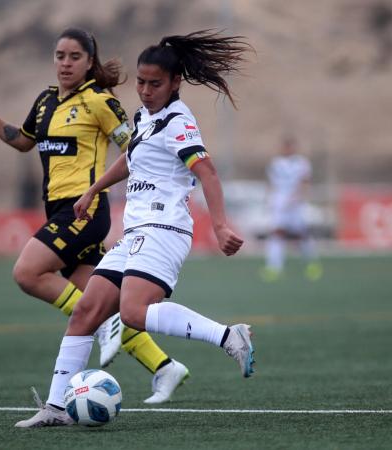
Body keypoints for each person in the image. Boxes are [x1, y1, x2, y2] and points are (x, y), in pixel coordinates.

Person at [15, 29, 255, 428]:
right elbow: (130, 160)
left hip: (164, 229)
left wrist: (219, 225)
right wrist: (93, 189)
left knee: (134, 313)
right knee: (86, 313)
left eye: (154, 83)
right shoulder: (146, 118)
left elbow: (207, 172)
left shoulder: (178, 122)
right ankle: (56, 407)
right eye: (141, 82)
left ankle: (230, 336)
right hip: (135, 233)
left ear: (175, 83)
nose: (144, 90)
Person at [0, 28, 188, 404]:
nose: (65, 63)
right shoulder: (46, 100)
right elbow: (22, 141)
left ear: (89, 62)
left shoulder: (99, 100)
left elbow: (137, 149)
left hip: (83, 210)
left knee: (27, 273)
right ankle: (164, 366)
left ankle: (106, 330)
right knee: (91, 301)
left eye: (74, 57)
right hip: (59, 210)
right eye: (59, 56)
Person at [260, 136, 322, 282]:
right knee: (276, 234)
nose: (287, 149)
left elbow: (305, 182)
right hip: (279, 204)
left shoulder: (302, 163)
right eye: (285, 146)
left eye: (289, 146)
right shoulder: (275, 163)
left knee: (301, 235)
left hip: (295, 204)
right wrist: (269, 201)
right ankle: (274, 268)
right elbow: (272, 184)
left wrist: (299, 197)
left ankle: (312, 264)